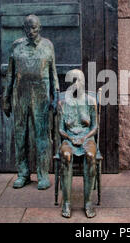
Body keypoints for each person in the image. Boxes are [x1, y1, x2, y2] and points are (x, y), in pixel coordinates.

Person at [2, 15, 59, 190]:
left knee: (42, 136)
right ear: (23, 28)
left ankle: (43, 175)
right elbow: (10, 74)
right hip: (20, 94)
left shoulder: (48, 46)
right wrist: (6, 98)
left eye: (34, 28)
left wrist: (55, 94)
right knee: (20, 135)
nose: (31, 31)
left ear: (39, 28)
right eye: (28, 28)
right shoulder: (16, 46)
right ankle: (23, 173)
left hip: (41, 95)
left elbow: (53, 72)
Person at [58, 69, 98, 218]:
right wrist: (69, 137)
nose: (75, 85)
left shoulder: (90, 101)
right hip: (68, 138)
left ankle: (88, 202)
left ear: (83, 82)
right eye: (72, 82)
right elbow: (60, 129)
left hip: (87, 137)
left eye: (78, 81)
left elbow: (94, 127)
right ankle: (67, 202)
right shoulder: (63, 103)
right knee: (67, 155)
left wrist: (84, 138)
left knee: (89, 155)